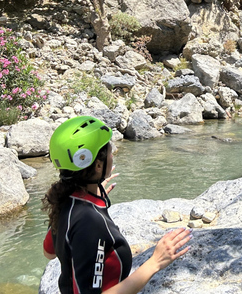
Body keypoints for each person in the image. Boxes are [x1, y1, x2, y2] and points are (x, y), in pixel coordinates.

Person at [42, 116, 192, 293]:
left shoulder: (67, 200)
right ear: (98, 165)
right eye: (110, 152)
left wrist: (94, 198)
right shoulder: (90, 222)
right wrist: (155, 262)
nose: (113, 156)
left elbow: (50, 252)